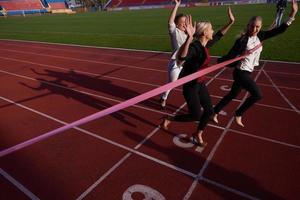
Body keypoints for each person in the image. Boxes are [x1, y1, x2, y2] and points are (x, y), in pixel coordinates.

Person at [212, 1, 298, 127]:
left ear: (260, 26)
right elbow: (230, 55)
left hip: (248, 71)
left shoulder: (261, 35)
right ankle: (238, 113)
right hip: (240, 72)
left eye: (257, 27)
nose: (254, 29)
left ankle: (214, 112)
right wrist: (218, 62)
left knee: (232, 94)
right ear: (248, 26)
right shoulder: (242, 40)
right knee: (257, 95)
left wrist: (292, 14)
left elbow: (280, 30)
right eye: (252, 26)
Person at [162, 7, 235, 147]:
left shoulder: (205, 44)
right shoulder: (195, 47)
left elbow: (219, 35)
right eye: (211, 29)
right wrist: (189, 38)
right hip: (190, 86)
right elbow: (182, 57)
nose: (213, 31)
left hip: (200, 84)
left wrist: (230, 22)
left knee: (209, 111)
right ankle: (169, 118)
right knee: (195, 115)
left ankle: (198, 133)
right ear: (204, 33)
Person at [160, 0, 187, 109]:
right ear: (177, 24)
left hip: (186, 63)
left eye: (186, 22)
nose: (185, 24)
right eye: (183, 22)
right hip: (176, 63)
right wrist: (176, 5)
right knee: (172, 83)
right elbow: (170, 22)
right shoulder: (174, 31)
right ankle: (164, 97)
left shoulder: (188, 34)